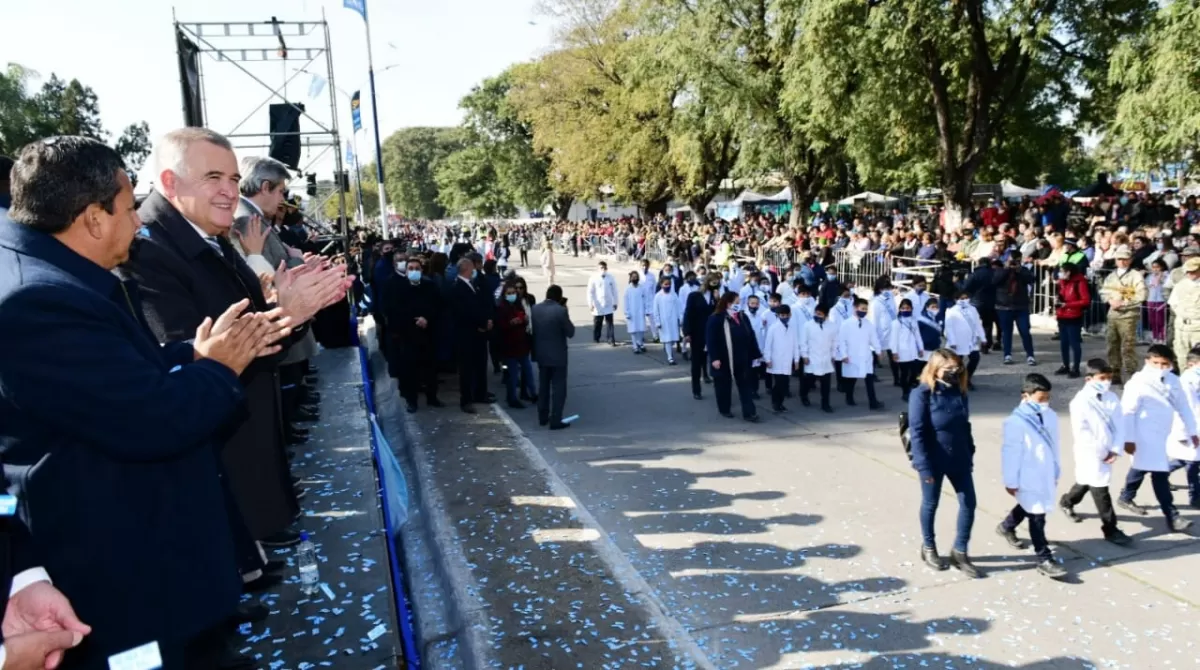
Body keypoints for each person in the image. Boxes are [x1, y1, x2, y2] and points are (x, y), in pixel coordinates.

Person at [0, 136, 286, 667]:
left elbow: (118, 374)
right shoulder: (37, 301)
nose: (138, 223)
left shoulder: (43, 271)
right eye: (130, 210)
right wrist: (219, 366)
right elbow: (151, 419)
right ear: (92, 219)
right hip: (125, 573)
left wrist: (195, 354)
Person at [123, 129, 346, 554]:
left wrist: (286, 305)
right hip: (214, 460)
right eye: (213, 178)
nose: (229, 192)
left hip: (245, 443)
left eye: (232, 178)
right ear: (170, 183)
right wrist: (287, 313)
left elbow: (253, 324)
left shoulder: (209, 238)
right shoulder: (148, 252)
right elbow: (193, 358)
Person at [907, 349, 979, 577]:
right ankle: (928, 547)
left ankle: (960, 550)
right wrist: (923, 465)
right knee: (931, 503)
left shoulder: (959, 390)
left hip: (959, 456)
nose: (954, 373)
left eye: (957, 369)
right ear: (935, 369)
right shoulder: (922, 394)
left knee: (969, 502)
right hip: (933, 458)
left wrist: (970, 451)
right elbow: (917, 431)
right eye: (948, 370)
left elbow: (964, 424)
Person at [1115, 345, 1198, 530]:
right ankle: (1172, 516)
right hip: (1142, 435)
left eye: (1165, 364)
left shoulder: (1174, 381)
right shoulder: (1137, 382)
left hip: (1162, 435)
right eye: (1156, 363)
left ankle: (1126, 496)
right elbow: (1127, 412)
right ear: (1147, 361)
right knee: (1159, 473)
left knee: (1141, 467)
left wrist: (1192, 431)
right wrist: (1128, 439)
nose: (1160, 367)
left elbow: (1184, 407)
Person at [996, 374, 1068, 579]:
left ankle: (1006, 526)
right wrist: (1010, 480)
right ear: (1025, 396)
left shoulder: (1050, 416)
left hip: (1044, 472)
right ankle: (1043, 557)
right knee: (1037, 515)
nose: (1045, 403)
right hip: (1026, 474)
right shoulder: (1015, 422)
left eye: (1047, 398)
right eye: (1041, 399)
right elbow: (1010, 453)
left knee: (1032, 505)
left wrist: (1055, 469)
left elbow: (1054, 444)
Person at [1059, 359, 1133, 545]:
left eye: (1109, 378)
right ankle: (1110, 528)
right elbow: (1083, 433)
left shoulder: (1112, 398)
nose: (1106, 381)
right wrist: (1102, 452)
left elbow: (1119, 425)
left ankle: (1067, 501)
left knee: (1086, 481)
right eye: (1102, 378)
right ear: (1089, 379)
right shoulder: (1080, 402)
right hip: (1090, 452)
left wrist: (1115, 449)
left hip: (1109, 450)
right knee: (1100, 489)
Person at [384, 257, 444, 413]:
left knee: (430, 368)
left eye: (417, 268)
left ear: (422, 270)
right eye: (411, 268)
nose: (414, 271)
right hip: (408, 335)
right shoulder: (399, 288)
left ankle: (432, 397)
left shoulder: (430, 286)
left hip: (428, 333)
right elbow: (395, 310)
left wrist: (427, 318)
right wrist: (413, 320)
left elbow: (437, 306)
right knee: (409, 370)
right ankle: (412, 401)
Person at [706, 291, 761, 423]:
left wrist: (756, 353)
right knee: (723, 385)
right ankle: (724, 409)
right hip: (724, 358)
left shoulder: (742, 317)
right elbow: (711, 339)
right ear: (728, 303)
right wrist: (715, 358)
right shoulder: (717, 318)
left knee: (745, 385)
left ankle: (749, 413)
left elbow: (751, 334)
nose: (739, 304)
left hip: (742, 357)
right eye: (736, 301)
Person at [451, 258, 496, 413]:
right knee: (466, 369)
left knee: (479, 364)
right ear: (467, 269)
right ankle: (466, 400)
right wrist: (481, 324)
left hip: (478, 333)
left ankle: (480, 393)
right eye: (472, 268)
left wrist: (486, 321)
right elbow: (465, 312)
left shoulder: (472, 284)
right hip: (466, 334)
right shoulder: (458, 287)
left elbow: (479, 305)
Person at [531, 285, 575, 430]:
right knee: (558, 388)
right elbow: (570, 332)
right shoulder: (561, 311)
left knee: (543, 387)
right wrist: (566, 311)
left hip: (541, 354)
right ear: (559, 297)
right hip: (558, 356)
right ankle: (556, 419)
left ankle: (542, 417)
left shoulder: (535, 309)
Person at [1100, 246, 1146, 384]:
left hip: (1128, 315)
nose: (1122, 262)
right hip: (1113, 314)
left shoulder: (1135, 275)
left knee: (1127, 347)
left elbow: (1142, 294)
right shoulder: (1111, 276)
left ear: (1130, 260)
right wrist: (1110, 300)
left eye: (1125, 259)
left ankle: (1131, 375)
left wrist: (1124, 303)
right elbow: (1104, 291)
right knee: (1112, 345)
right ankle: (1115, 373)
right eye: (1119, 259)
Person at [496, 281, 537, 409]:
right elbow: (501, 326)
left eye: (514, 292)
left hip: (521, 344)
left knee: (527, 370)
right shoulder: (502, 307)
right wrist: (512, 323)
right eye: (509, 293)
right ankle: (512, 398)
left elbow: (524, 319)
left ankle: (533, 393)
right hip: (509, 346)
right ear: (505, 294)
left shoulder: (518, 304)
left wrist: (523, 320)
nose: (513, 295)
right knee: (512, 374)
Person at [837, 297, 884, 410]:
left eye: (866, 309)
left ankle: (873, 402)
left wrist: (878, 351)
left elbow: (874, 338)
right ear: (855, 308)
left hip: (865, 356)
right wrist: (843, 355)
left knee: (869, 379)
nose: (864, 311)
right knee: (851, 379)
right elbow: (841, 341)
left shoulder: (868, 324)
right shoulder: (846, 324)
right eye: (862, 308)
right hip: (851, 356)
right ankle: (849, 397)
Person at [994, 257, 1037, 365]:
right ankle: (1007, 355)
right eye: (1011, 261)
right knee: (1007, 332)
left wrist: (1020, 270)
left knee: (1025, 332)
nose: (1013, 264)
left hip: (1021, 306)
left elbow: (1032, 279)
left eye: (1015, 261)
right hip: (1004, 306)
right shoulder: (1001, 270)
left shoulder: (1023, 271)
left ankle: (1030, 355)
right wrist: (1006, 269)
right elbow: (994, 281)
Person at [683, 274, 720, 399]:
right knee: (696, 362)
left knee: (714, 358)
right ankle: (696, 389)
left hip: (712, 333)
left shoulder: (715, 297)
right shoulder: (694, 296)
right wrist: (687, 332)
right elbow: (688, 314)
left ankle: (715, 383)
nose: (715, 285)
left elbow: (719, 313)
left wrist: (718, 300)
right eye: (713, 282)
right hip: (698, 332)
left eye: (717, 283)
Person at [1054, 263, 1090, 378]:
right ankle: (1065, 365)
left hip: (1073, 316)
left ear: (1068, 272)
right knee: (1063, 343)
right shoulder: (1062, 282)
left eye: (1062, 271)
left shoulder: (1079, 282)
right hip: (1062, 315)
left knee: (1074, 343)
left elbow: (1085, 301)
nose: (1060, 273)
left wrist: (1067, 304)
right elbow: (1061, 294)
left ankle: (1076, 368)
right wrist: (1058, 300)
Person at [763, 303, 800, 413]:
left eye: (786, 315)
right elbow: (768, 345)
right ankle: (776, 402)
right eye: (782, 316)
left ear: (790, 315)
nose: (784, 318)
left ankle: (781, 403)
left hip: (787, 360)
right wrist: (768, 359)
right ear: (778, 315)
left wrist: (796, 360)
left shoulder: (792, 328)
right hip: (776, 360)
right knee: (779, 383)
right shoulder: (773, 328)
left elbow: (795, 345)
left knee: (784, 384)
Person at [944, 289, 985, 387]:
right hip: (958, 341)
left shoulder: (973, 309)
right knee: (957, 362)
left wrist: (983, 338)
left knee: (975, 358)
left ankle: (967, 378)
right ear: (956, 299)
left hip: (971, 340)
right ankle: (955, 380)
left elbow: (977, 324)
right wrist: (952, 341)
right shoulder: (951, 311)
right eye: (961, 298)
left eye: (966, 298)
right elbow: (949, 327)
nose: (964, 300)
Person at [800, 303, 837, 412]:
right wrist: (805, 355)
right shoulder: (807, 325)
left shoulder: (832, 326)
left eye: (820, 314)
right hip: (812, 358)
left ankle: (825, 404)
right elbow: (803, 342)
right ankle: (804, 395)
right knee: (809, 381)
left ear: (826, 315)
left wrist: (833, 355)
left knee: (826, 383)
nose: (817, 315)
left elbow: (835, 342)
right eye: (816, 313)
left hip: (826, 358)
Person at [889, 298, 925, 401]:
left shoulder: (914, 321)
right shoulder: (896, 323)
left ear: (911, 309)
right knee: (904, 373)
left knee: (914, 373)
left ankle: (910, 387)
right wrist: (894, 352)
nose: (905, 310)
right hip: (902, 352)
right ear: (900, 309)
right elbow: (893, 339)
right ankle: (905, 392)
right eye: (903, 308)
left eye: (908, 308)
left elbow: (918, 336)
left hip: (913, 351)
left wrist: (921, 348)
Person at [1167, 256, 1200, 365]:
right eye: (1188, 271)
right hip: (1181, 328)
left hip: (1197, 328)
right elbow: (1173, 303)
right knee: (1182, 359)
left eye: (1193, 271)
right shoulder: (1181, 284)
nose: (1190, 274)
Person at [587, 260, 618, 345]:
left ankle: (611, 339)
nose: (603, 269)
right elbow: (590, 292)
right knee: (598, 323)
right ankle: (596, 337)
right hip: (598, 304)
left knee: (610, 323)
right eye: (601, 268)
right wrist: (590, 304)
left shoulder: (610, 277)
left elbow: (614, 290)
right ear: (598, 268)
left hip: (608, 303)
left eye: (604, 268)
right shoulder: (593, 278)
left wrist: (615, 302)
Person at [653, 275, 682, 365]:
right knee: (667, 340)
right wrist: (657, 321)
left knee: (673, 339)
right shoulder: (658, 296)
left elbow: (679, 308)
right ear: (661, 285)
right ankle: (670, 357)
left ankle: (667, 348)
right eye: (665, 284)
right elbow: (655, 310)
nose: (667, 286)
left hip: (673, 321)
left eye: (669, 284)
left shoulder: (674, 295)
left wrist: (680, 318)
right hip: (663, 322)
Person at [624, 270, 648, 354]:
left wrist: (646, 309)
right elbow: (626, 301)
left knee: (641, 329)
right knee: (633, 330)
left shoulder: (642, 288)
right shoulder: (628, 289)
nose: (635, 278)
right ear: (630, 278)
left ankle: (640, 343)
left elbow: (645, 299)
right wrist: (627, 312)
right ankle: (635, 346)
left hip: (640, 311)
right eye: (633, 277)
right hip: (631, 312)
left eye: (636, 277)